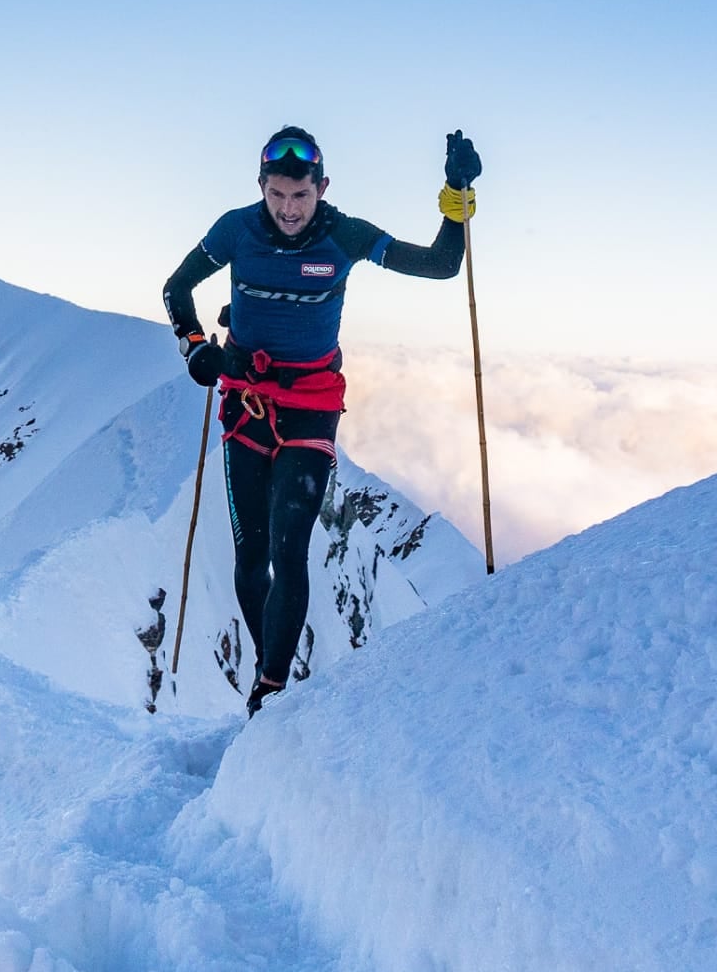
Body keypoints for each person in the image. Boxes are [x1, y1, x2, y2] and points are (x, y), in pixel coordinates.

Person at [162, 126, 483, 715]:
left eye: (300, 196)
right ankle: (270, 664)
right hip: (246, 405)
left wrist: (455, 190)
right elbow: (177, 287)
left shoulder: (345, 235)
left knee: (290, 553)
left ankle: (271, 692)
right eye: (277, 195)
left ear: (321, 187)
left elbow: (440, 266)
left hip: (310, 407)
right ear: (261, 187)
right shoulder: (236, 229)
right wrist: (194, 346)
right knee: (249, 560)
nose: (287, 209)